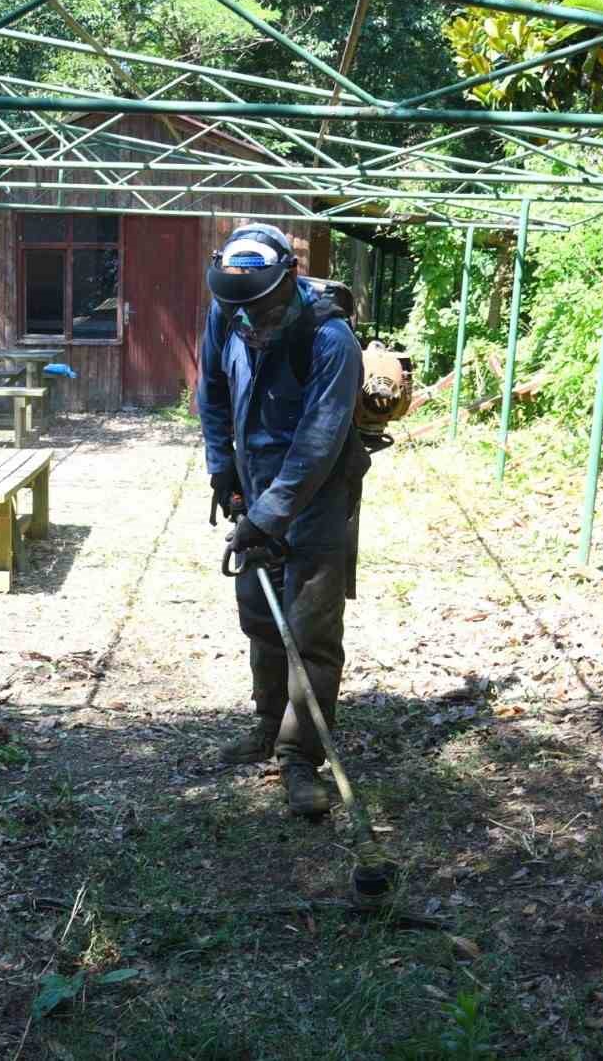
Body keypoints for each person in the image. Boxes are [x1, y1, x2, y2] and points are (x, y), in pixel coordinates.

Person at [197, 224, 365, 818]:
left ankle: (301, 757)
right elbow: (211, 392)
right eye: (235, 309)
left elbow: (319, 443)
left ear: (288, 282)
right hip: (256, 484)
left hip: (318, 495)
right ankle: (267, 725)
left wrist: (269, 516)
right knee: (260, 614)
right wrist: (225, 471)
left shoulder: (331, 339)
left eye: (260, 308)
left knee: (310, 629)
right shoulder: (229, 311)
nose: (248, 322)